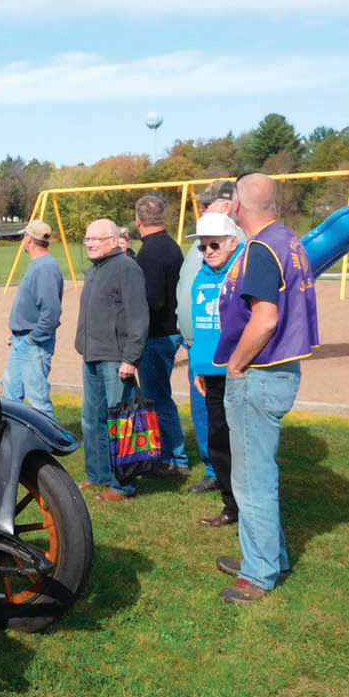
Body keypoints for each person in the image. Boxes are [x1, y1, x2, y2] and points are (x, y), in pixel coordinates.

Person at [212, 173, 318, 604]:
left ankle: (259, 573)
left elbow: (266, 318)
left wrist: (236, 365)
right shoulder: (288, 239)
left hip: (258, 373)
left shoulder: (259, 248)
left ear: (239, 204)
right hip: (280, 370)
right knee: (258, 472)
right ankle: (269, 555)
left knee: (252, 479)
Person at [75, 219, 149, 502]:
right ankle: (98, 476)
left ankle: (123, 485)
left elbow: (138, 316)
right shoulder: (95, 270)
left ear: (114, 240)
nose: (90, 244)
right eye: (87, 239)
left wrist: (130, 357)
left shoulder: (126, 268)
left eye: (95, 239)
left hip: (116, 359)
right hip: (92, 355)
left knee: (120, 422)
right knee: (91, 420)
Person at [177, 181, 238, 493]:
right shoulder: (202, 249)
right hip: (199, 351)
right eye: (204, 246)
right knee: (209, 419)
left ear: (227, 205)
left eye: (207, 204)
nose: (201, 209)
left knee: (232, 426)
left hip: (231, 359)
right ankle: (216, 471)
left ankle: (230, 480)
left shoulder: (238, 251)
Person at [189, 213, 244, 527]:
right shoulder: (202, 275)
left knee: (240, 444)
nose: (208, 251)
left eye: (214, 244)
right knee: (218, 442)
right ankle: (231, 506)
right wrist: (199, 366)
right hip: (209, 372)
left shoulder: (241, 271)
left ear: (232, 242)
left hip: (236, 372)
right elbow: (202, 327)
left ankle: (246, 506)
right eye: (203, 246)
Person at [134, 194, 188, 477]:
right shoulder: (170, 246)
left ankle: (174, 457)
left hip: (157, 334)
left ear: (138, 220)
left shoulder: (150, 252)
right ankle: (166, 453)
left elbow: (152, 300)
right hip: (170, 330)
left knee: (157, 397)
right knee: (157, 395)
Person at [2, 220, 63, 417]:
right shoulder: (40, 265)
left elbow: (51, 312)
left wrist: (32, 337)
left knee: (38, 401)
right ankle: (15, 441)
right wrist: (18, 333)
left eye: (24, 236)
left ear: (29, 239)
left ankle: (49, 446)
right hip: (22, 339)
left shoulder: (45, 268)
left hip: (33, 343)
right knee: (11, 397)